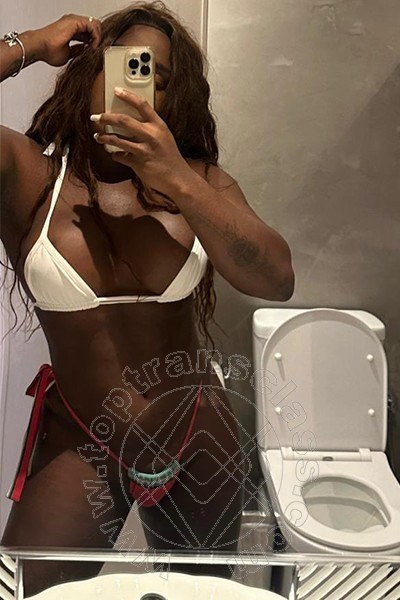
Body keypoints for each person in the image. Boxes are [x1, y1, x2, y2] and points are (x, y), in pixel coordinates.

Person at [0, 1, 294, 595]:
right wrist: (28, 44)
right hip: (81, 440)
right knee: (35, 589)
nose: (136, 86)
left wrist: (176, 177)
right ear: (90, 73)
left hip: (198, 436)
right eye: (126, 64)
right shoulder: (29, 175)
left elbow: (276, 279)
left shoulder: (198, 181)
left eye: (157, 78)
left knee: (198, 593)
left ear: (172, 98)